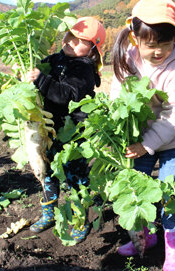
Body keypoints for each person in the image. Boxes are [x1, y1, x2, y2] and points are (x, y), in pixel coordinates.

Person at [110, 0, 175, 270]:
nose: (158, 51)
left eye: (165, 44)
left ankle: (174, 248)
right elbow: (117, 95)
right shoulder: (127, 58)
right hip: (141, 139)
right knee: (137, 189)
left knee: (170, 193)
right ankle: (145, 238)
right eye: (150, 45)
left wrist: (145, 145)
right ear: (135, 38)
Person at [26, 16, 106, 242]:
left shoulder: (84, 70)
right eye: (70, 35)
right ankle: (48, 213)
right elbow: (38, 76)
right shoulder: (53, 60)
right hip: (49, 131)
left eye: (80, 40)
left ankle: (80, 219)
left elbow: (66, 96)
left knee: (75, 178)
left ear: (93, 51)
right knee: (47, 173)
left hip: (73, 134)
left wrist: (42, 80)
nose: (71, 41)